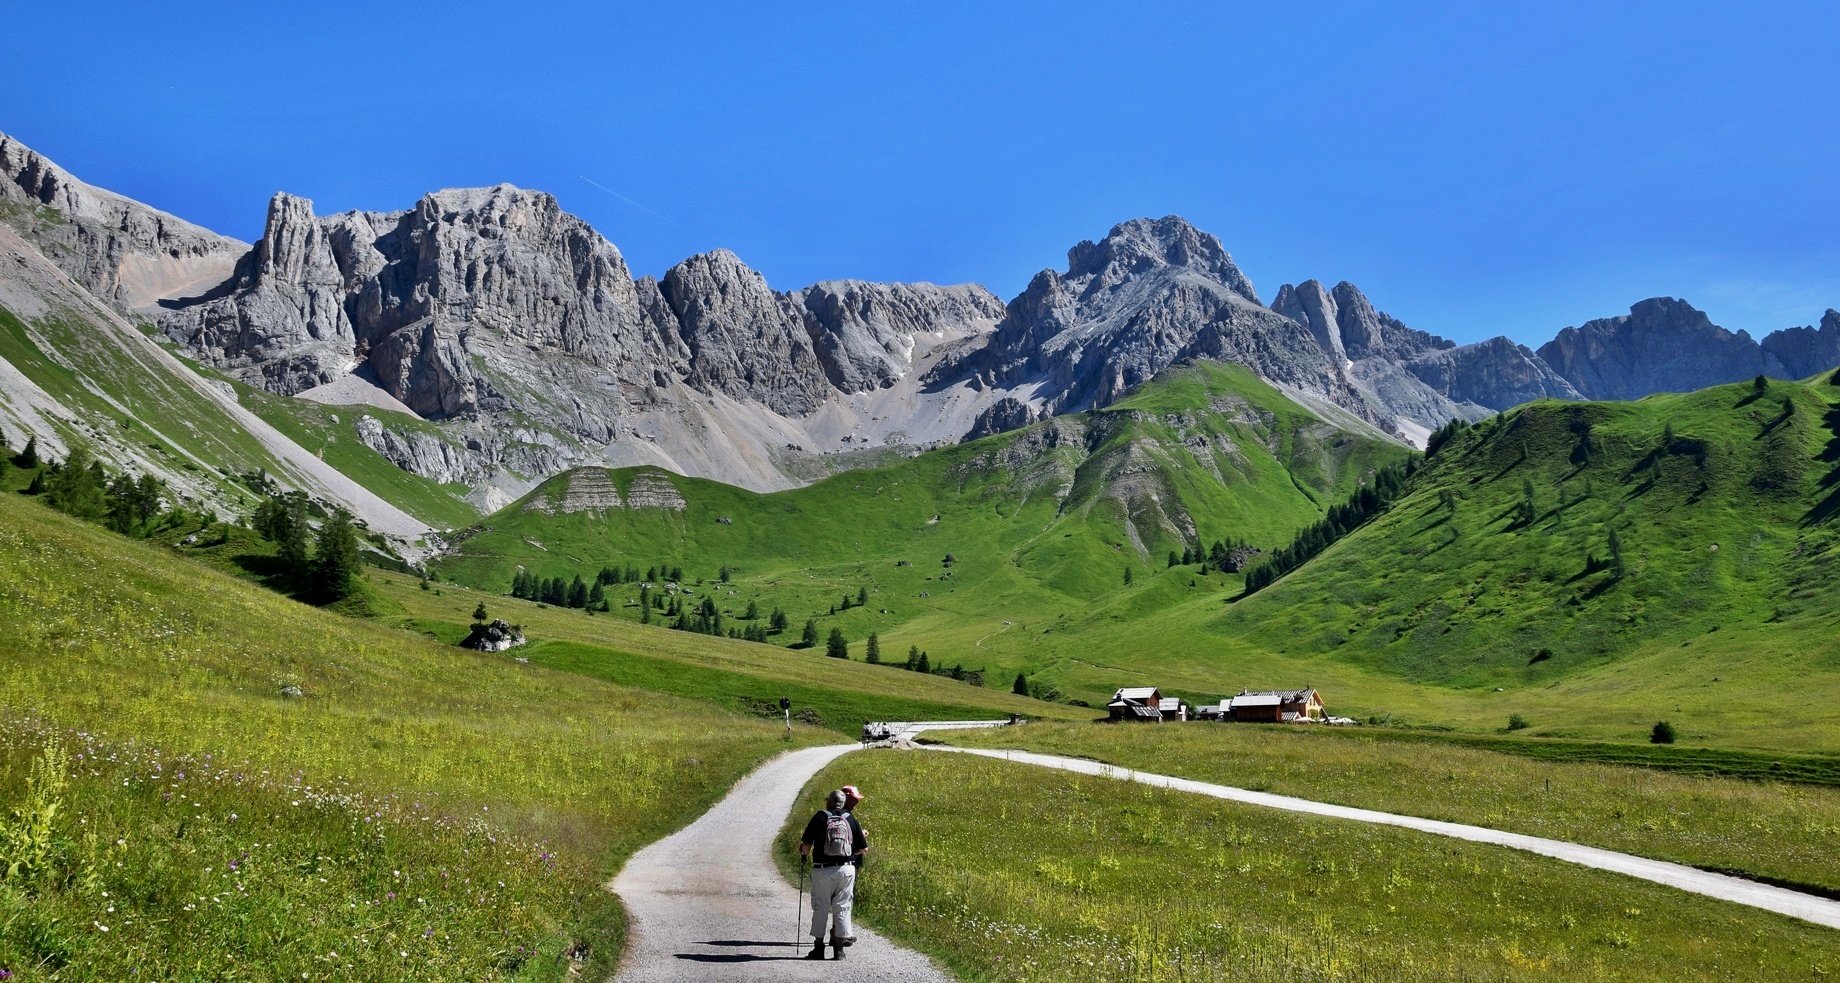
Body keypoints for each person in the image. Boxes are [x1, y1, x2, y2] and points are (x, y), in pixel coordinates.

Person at [799, 788, 867, 960]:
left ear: (829, 801)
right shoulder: (850, 818)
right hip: (846, 869)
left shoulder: (820, 816)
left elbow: (806, 846)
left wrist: (803, 853)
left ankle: (818, 948)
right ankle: (839, 951)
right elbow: (863, 848)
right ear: (843, 803)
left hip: (823, 870)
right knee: (842, 907)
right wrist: (849, 854)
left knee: (821, 907)